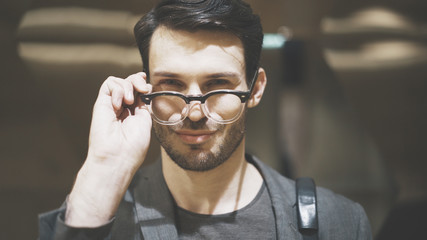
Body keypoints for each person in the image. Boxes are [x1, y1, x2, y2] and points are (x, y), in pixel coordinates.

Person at [38, 0, 372, 239]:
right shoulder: (100, 216)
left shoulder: (338, 221)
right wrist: (104, 168)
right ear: (146, 88)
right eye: (171, 84)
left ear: (255, 89)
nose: (195, 112)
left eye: (217, 85)